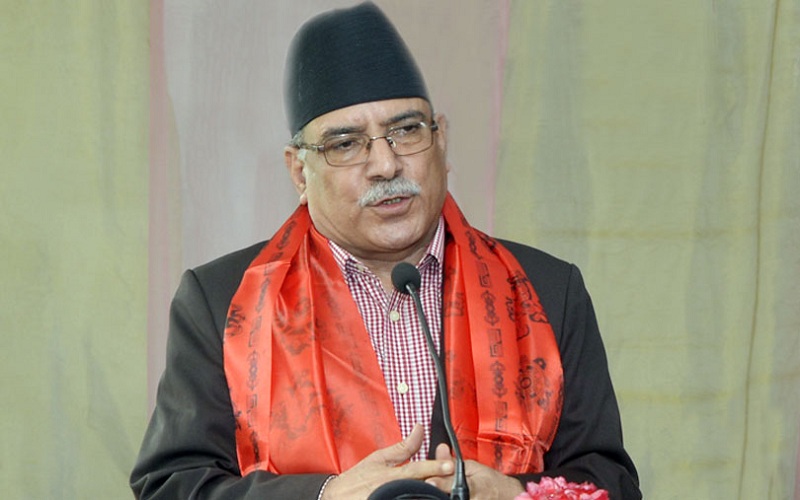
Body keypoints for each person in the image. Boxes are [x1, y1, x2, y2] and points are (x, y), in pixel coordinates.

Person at [131, 3, 641, 499]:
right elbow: (171, 485)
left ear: (441, 141)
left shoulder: (545, 290)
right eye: (346, 143)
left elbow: (609, 481)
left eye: (406, 131)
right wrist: (326, 496)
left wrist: (512, 494)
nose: (385, 164)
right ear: (299, 171)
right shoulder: (222, 301)